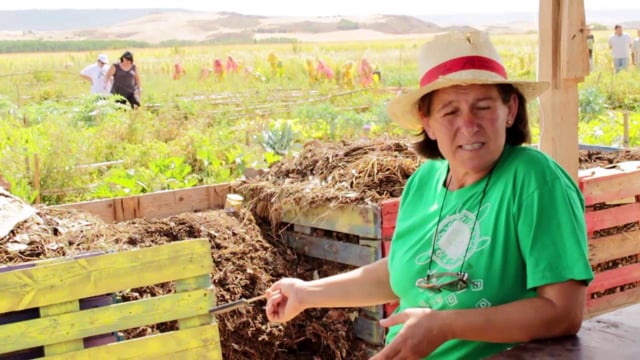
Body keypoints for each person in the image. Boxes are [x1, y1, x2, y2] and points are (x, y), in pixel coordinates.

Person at [265, 30, 594, 359]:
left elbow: (562, 313)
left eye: (483, 107)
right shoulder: (424, 181)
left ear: (509, 110)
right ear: (429, 123)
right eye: (450, 112)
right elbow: (402, 271)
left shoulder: (534, 179)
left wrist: (444, 325)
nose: (468, 125)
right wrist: (306, 293)